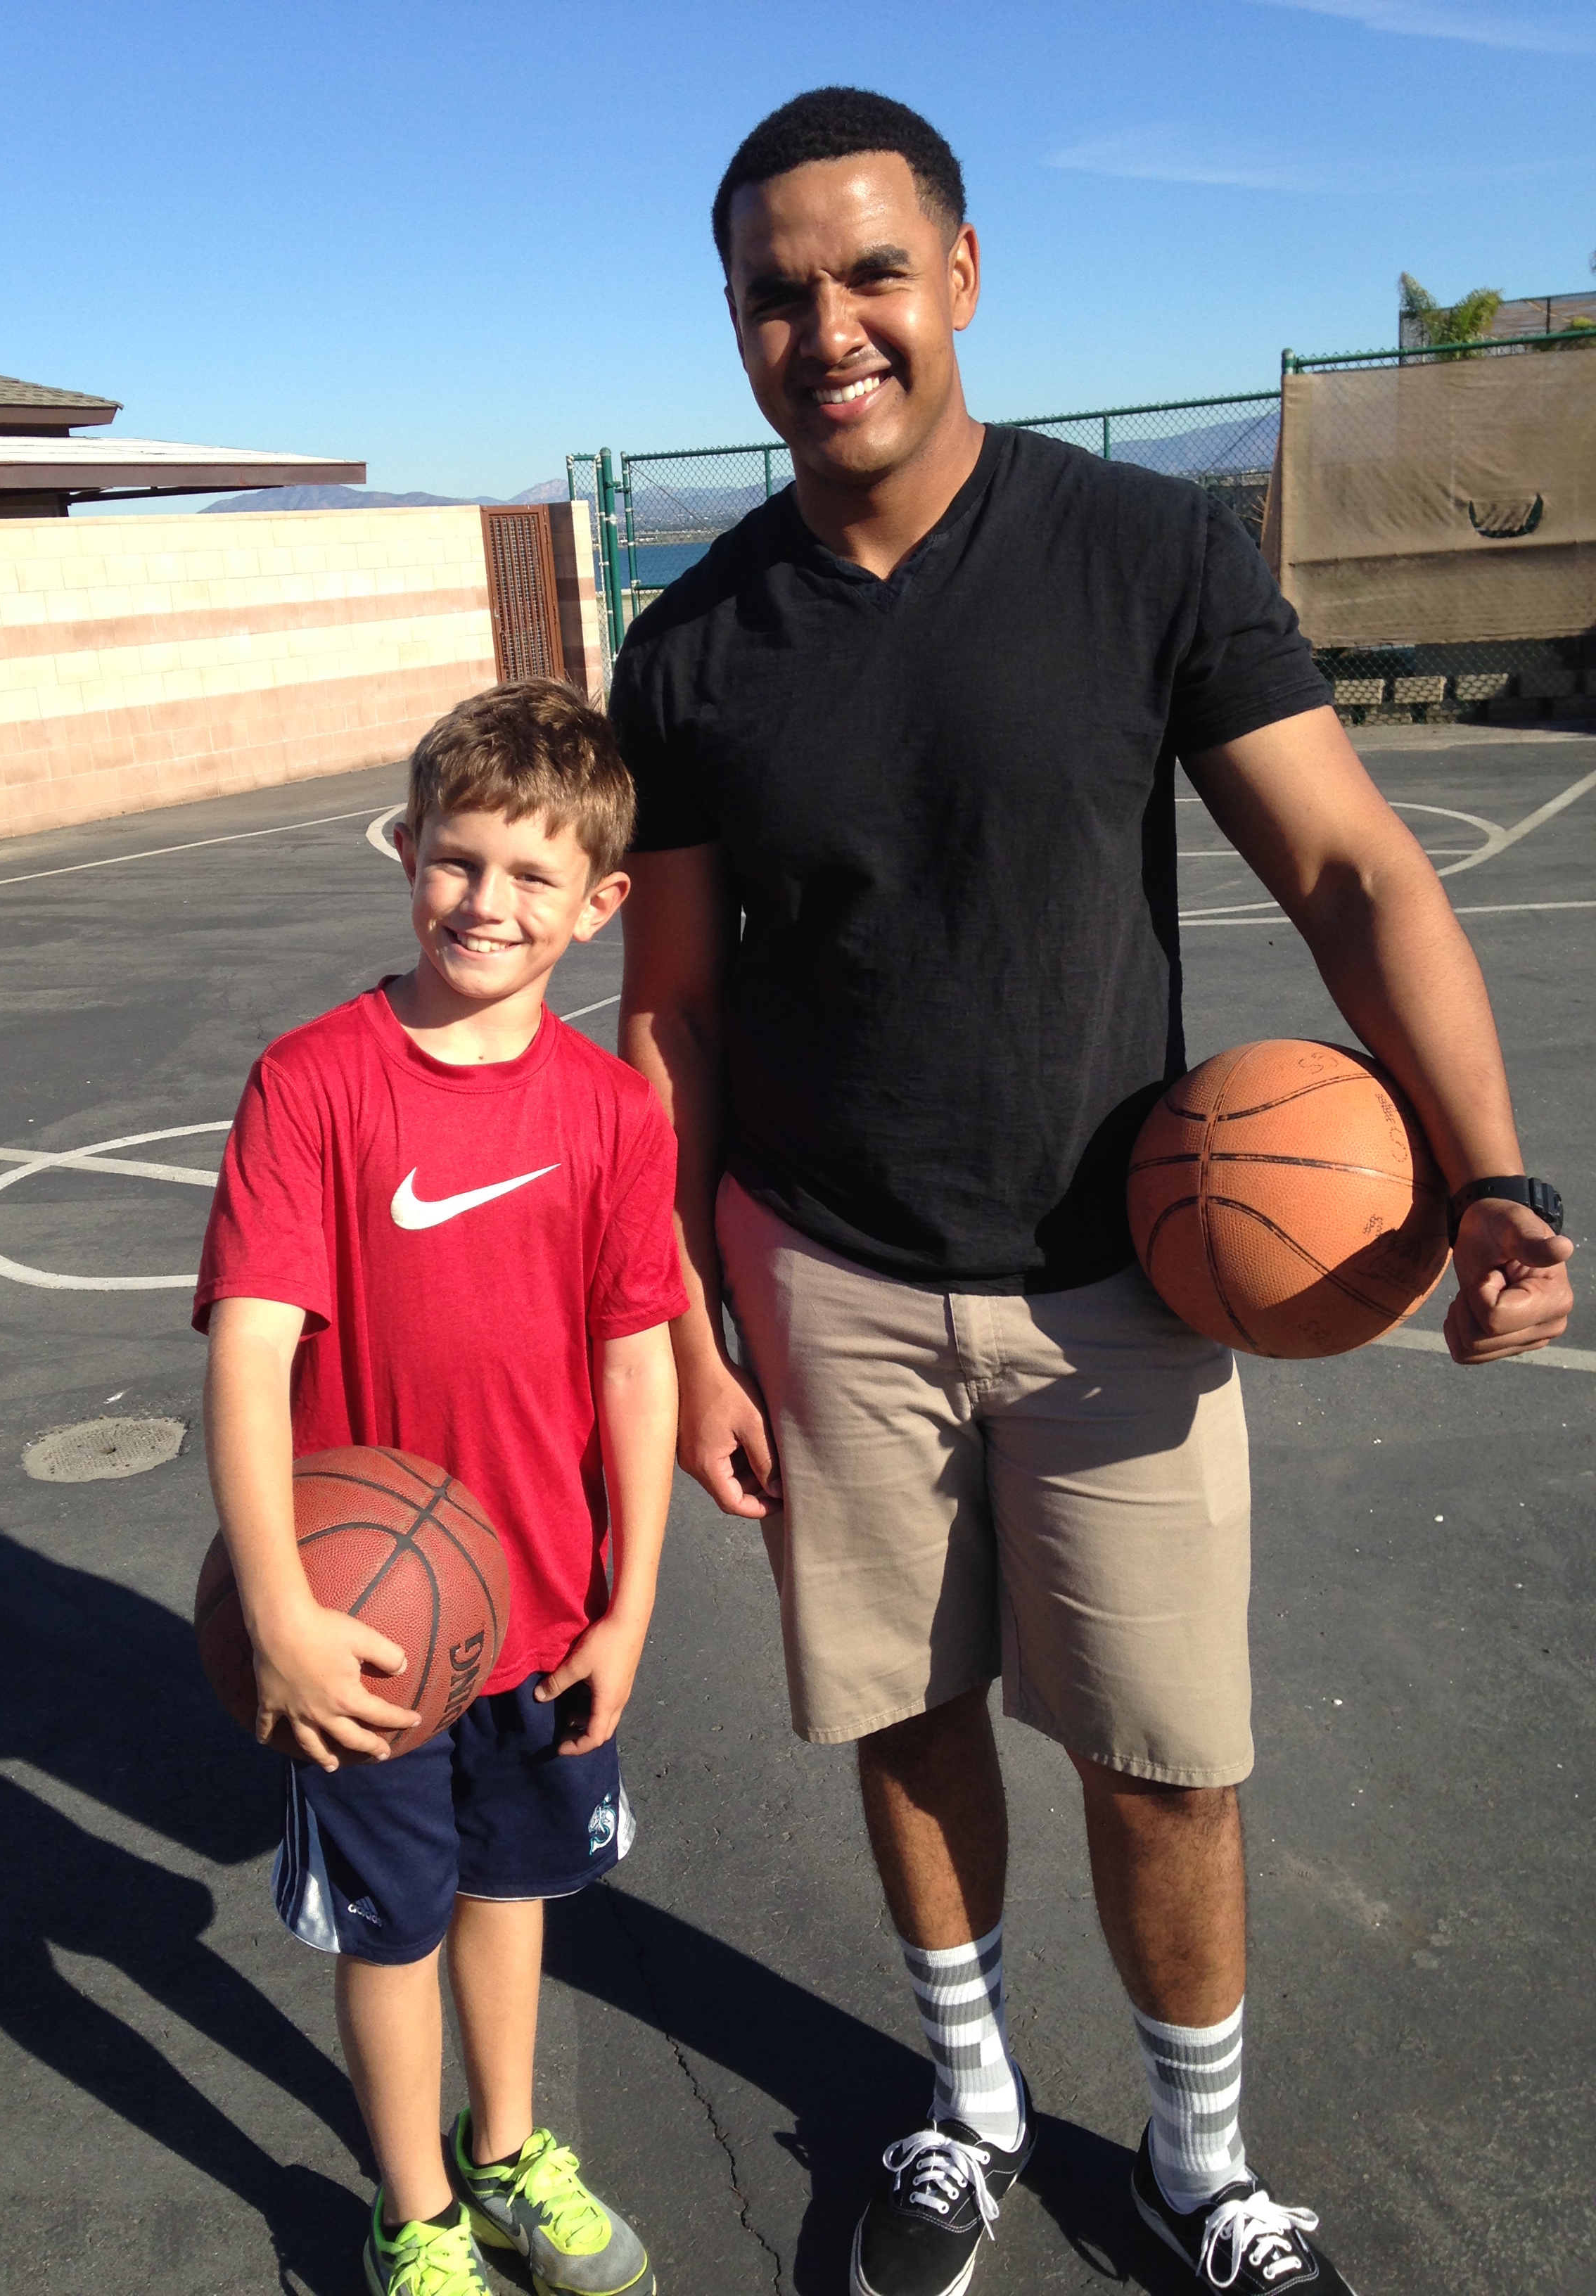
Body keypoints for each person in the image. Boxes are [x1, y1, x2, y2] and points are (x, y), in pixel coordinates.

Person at [612, 86, 1574, 2296]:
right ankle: (964, 2108)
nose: (828, 329)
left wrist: (1491, 1173)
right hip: (825, 1276)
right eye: (776, 294)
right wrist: (683, 1321)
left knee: (1165, 1764)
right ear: (736, 322)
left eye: (871, 273)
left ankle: (1197, 2167)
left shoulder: (1143, 556)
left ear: (960, 275)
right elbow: (671, 1015)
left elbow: (1351, 867)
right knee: (906, 1719)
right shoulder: (696, 646)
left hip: (1124, 1283)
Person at [196, 681, 683, 2296]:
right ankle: (415, 2217)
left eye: (535, 876)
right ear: (406, 848)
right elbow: (249, 1357)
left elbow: (639, 1368)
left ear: (600, 905)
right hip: (369, 1633)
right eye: (459, 859)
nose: (488, 901)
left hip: (540, 1614)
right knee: (389, 1927)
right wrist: (279, 1608)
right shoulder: (313, 1083)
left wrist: (631, 1605)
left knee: (512, 1889)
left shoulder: (613, 1112)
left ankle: (507, 2150)